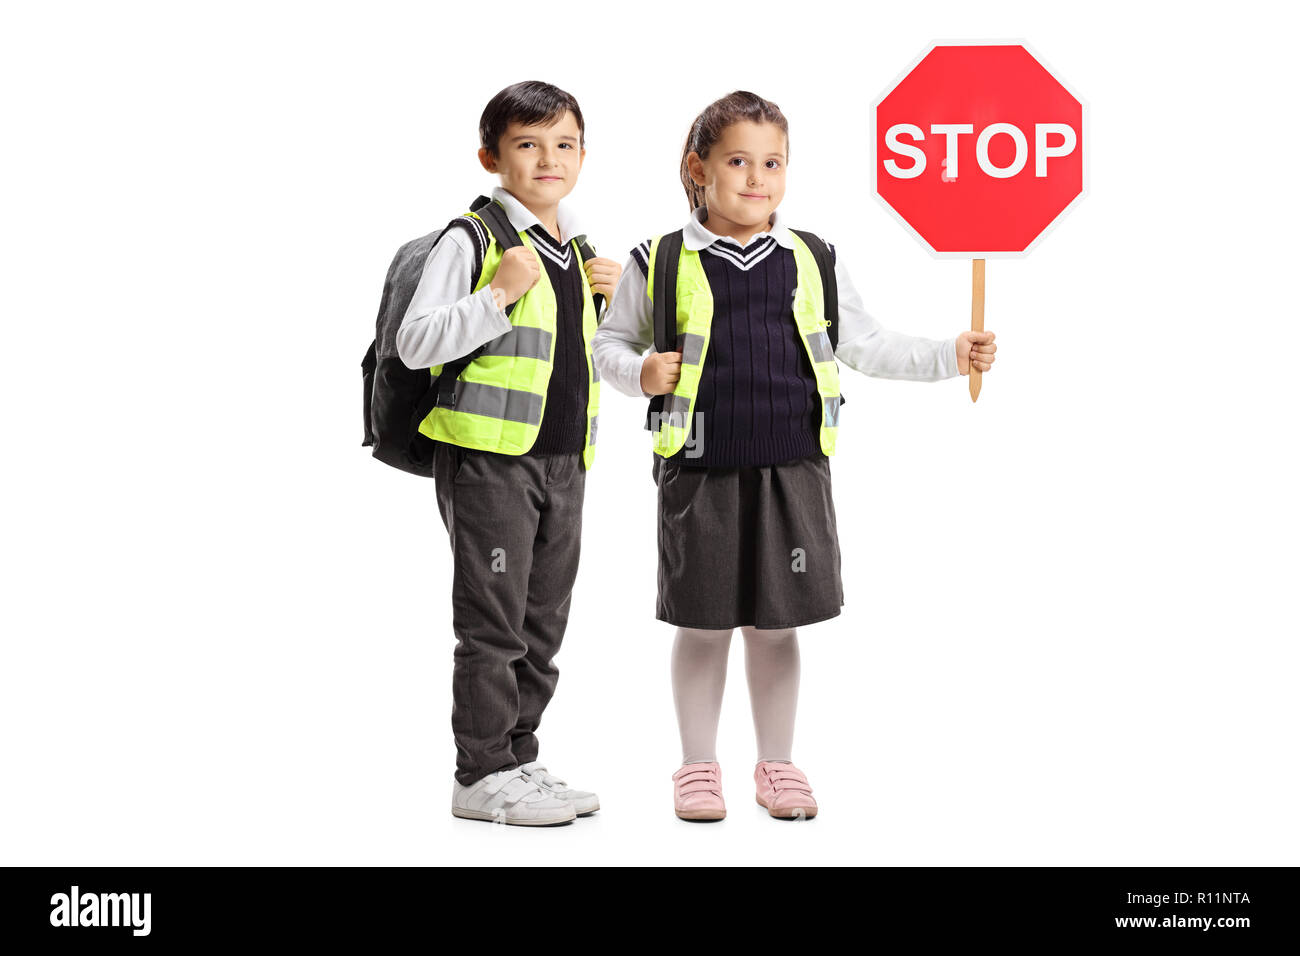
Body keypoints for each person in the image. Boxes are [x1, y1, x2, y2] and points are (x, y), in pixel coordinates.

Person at [591, 90, 997, 821]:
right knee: (705, 620)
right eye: (739, 161)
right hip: (700, 470)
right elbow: (608, 345)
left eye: (772, 162)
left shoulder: (812, 256)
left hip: (794, 468)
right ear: (698, 169)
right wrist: (639, 372)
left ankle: (776, 764)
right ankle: (697, 767)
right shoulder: (660, 259)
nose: (757, 178)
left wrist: (949, 353)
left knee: (777, 624)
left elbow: (865, 342)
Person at [397, 80, 622, 826]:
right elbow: (416, 342)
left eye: (564, 145)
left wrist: (616, 305)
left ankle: (519, 759)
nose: (548, 159)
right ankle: (479, 772)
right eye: (528, 144)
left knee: (542, 623)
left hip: (565, 461)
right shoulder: (476, 239)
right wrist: (496, 294)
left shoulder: (578, 249)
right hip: (490, 462)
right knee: (492, 625)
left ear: (584, 156)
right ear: (492, 156)